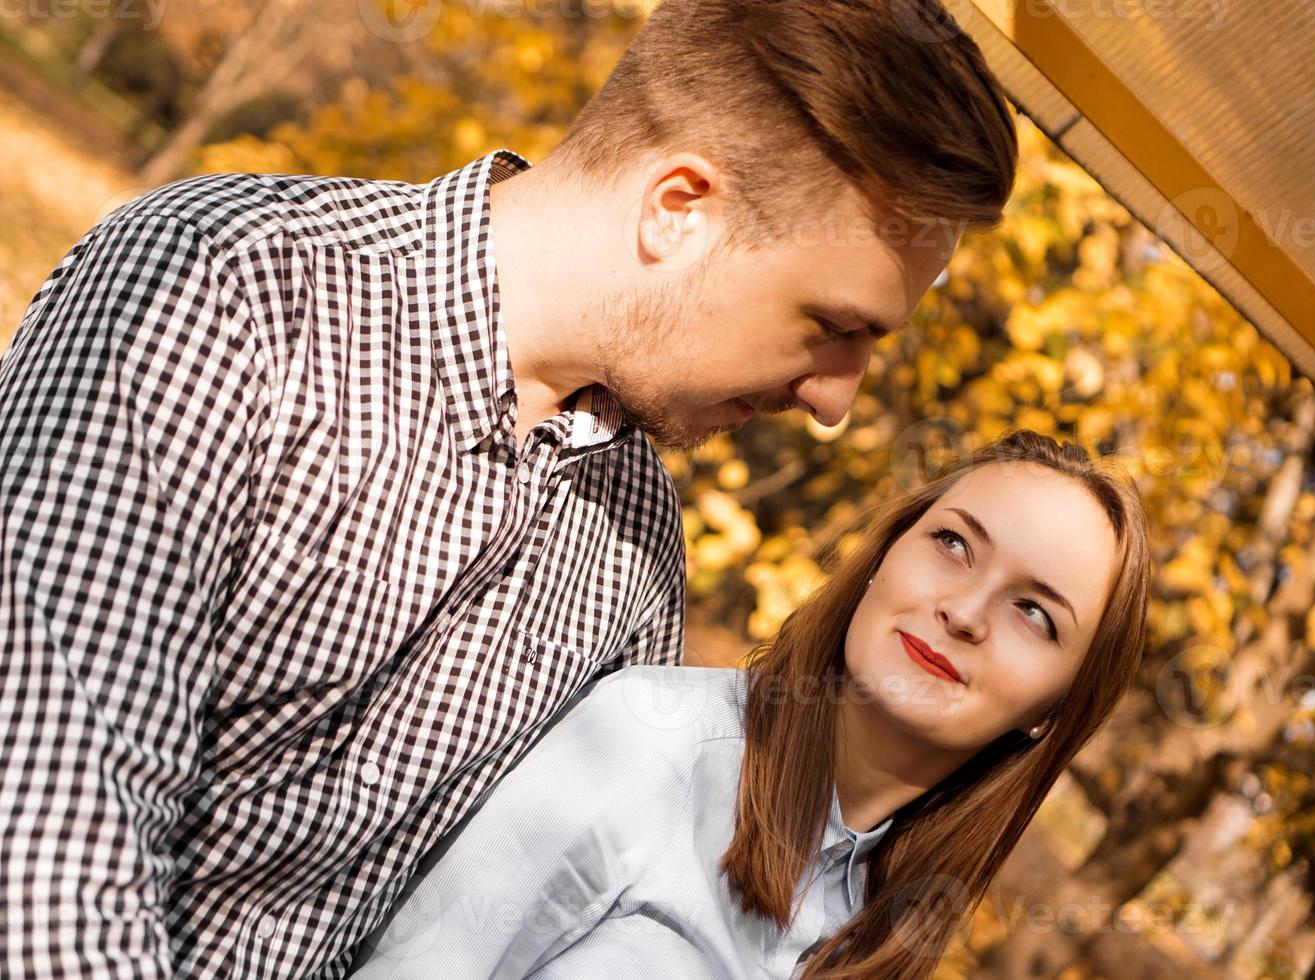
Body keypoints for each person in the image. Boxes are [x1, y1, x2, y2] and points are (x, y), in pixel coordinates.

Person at [0, 1, 1018, 976]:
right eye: (834, 325)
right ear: (681, 209)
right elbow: (46, 834)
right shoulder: (238, 291)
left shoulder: (637, 547)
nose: (835, 400)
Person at [347, 429, 1151, 979]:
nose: (965, 611)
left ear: (1055, 708)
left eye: (1034, 612)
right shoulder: (648, 745)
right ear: (883, 558)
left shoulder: (891, 921)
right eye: (952, 544)